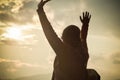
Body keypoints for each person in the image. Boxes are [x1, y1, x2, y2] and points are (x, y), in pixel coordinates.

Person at [37, 0, 100, 80]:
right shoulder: (83, 51)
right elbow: (83, 38)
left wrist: (40, 10)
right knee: (92, 73)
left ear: (65, 38)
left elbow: (50, 34)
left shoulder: (64, 52)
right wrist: (85, 25)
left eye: (63, 38)